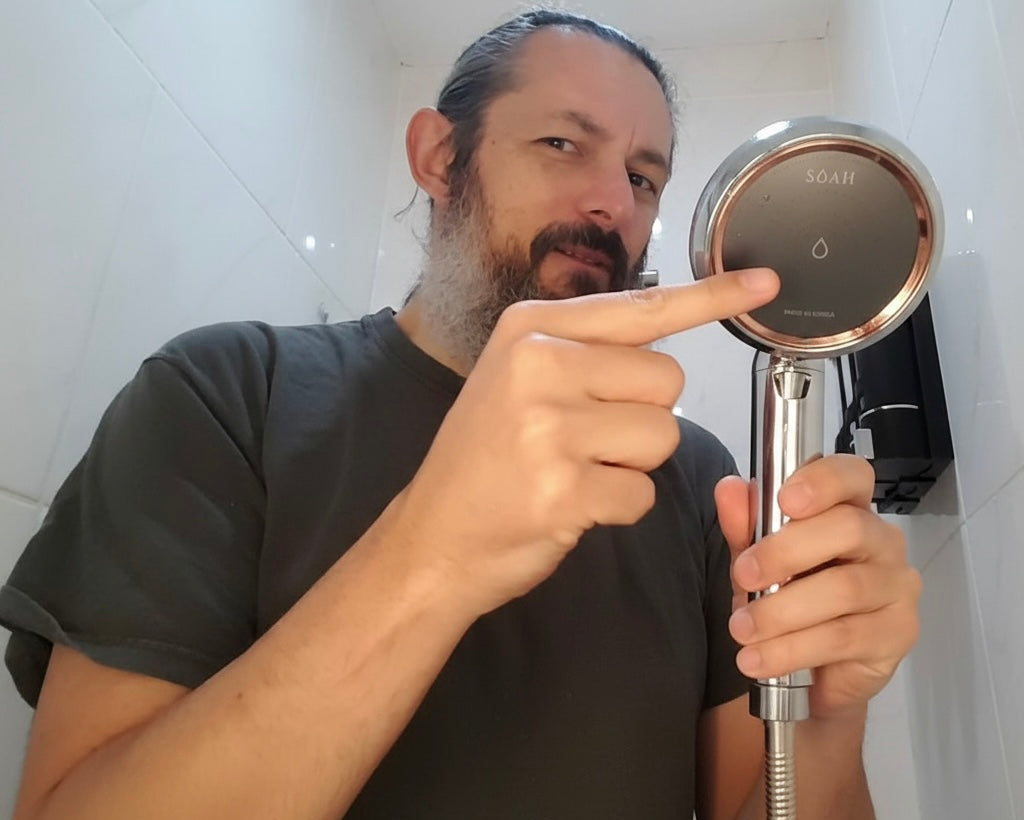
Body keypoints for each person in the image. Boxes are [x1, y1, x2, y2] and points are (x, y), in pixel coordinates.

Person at [1, 10, 920, 820]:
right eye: (564, 145)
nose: (611, 201)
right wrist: (434, 557)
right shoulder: (227, 391)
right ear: (441, 156)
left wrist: (829, 721)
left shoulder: (697, 479)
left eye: (644, 176)